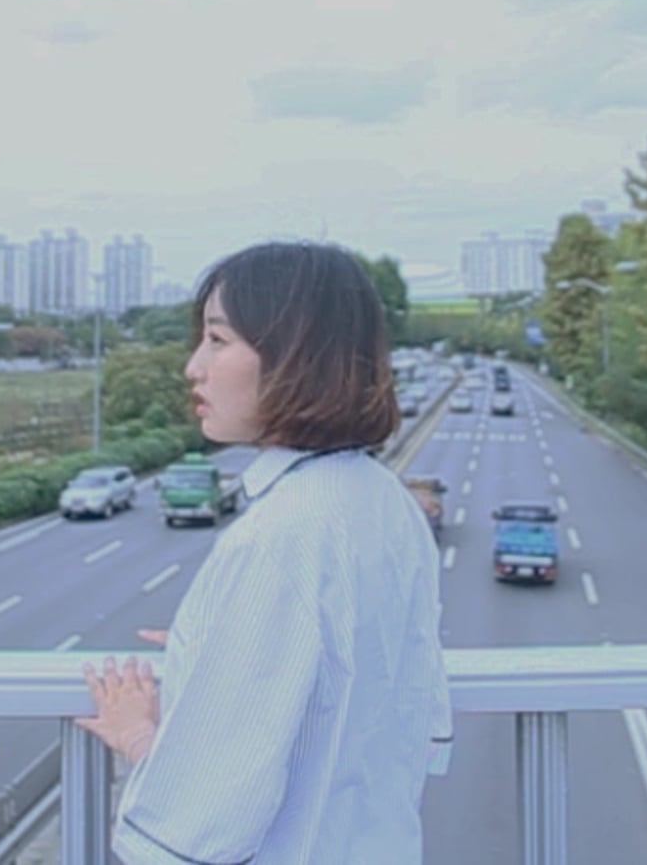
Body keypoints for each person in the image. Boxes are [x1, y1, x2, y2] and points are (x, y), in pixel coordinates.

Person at [77, 241, 452, 865]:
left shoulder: (281, 535)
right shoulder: (385, 498)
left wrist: (140, 736)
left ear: (295, 357)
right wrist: (223, 642)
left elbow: (204, 819)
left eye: (217, 340)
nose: (194, 367)